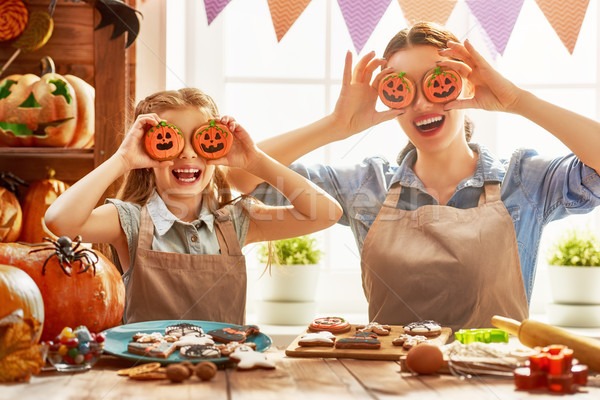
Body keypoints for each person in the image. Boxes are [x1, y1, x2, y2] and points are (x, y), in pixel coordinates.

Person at [228, 22, 600, 332]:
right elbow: (241, 175)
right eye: (402, 89)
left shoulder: (524, 181)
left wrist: (517, 101)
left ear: (466, 86)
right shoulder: (366, 186)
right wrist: (336, 125)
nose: (422, 104)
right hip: (390, 383)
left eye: (437, 82)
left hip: (493, 382)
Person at [44, 88, 342, 325]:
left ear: (218, 146)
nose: (187, 153)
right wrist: (123, 159)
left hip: (222, 375)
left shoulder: (236, 221)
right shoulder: (130, 221)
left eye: (199, 141)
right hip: (150, 375)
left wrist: (255, 160)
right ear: (148, 152)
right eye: (170, 140)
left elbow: (328, 214)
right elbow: (60, 221)